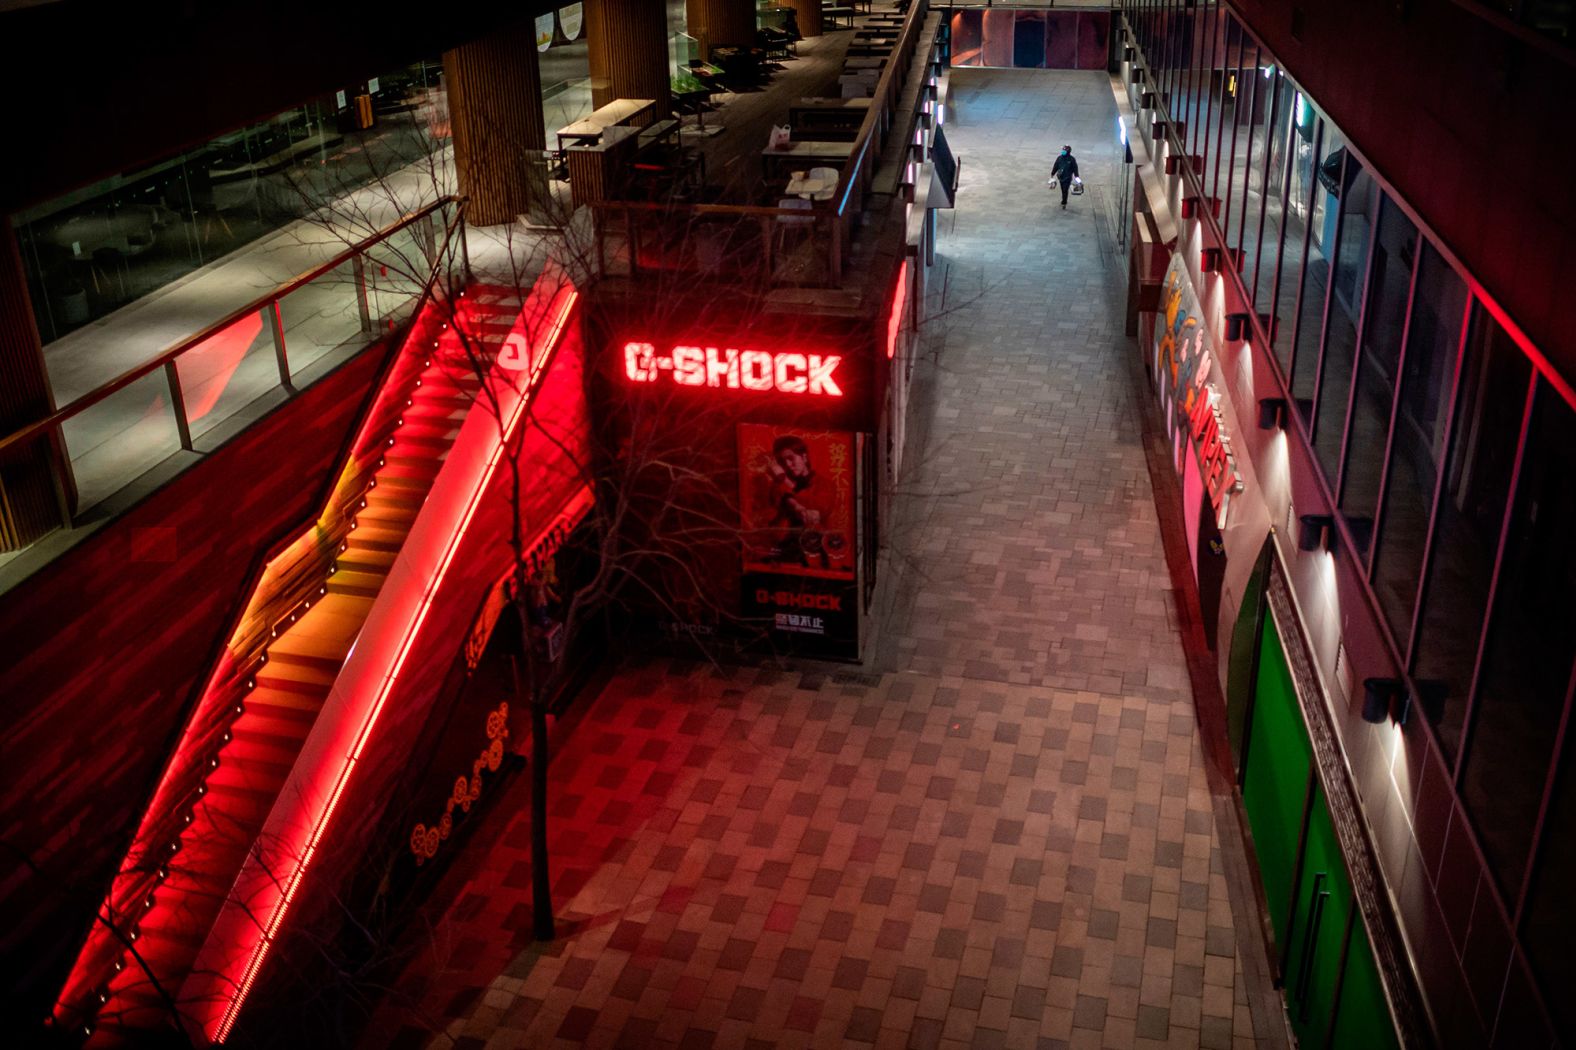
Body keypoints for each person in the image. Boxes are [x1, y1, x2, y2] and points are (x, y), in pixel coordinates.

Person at [758, 434, 835, 570]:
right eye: (782, 461)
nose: (788, 465)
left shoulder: (825, 485)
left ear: (804, 457)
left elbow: (816, 513)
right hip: (783, 550)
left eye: (791, 458)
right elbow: (772, 512)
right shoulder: (778, 486)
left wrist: (784, 481)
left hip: (813, 552)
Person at [1050, 145, 1079, 210]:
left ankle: (1064, 202)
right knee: (1063, 189)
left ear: (1068, 151)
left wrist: (1077, 177)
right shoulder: (1059, 158)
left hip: (1068, 177)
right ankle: (1064, 198)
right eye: (1062, 150)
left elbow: (1075, 168)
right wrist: (1052, 173)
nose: (1063, 151)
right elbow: (1056, 166)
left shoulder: (1071, 159)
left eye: (1064, 150)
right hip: (1061, 177)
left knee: (1065, 190)